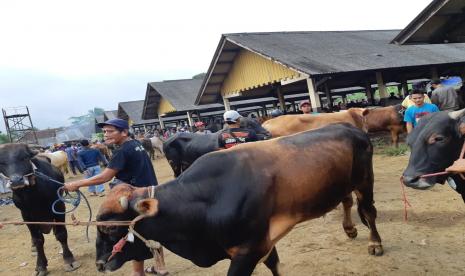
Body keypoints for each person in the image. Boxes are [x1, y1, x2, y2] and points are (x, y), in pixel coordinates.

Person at [64, 119, 168, 276]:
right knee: (152, 232)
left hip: (134, 200)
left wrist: (77, 183)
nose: (106, 134)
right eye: (105, 131)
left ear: (124, 132)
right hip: (150, 195)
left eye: (111, 131)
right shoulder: (136, 145)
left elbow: (105, 177)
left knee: (131, 234)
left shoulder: (122, 150)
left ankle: (138, 272)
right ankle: (160, 267)